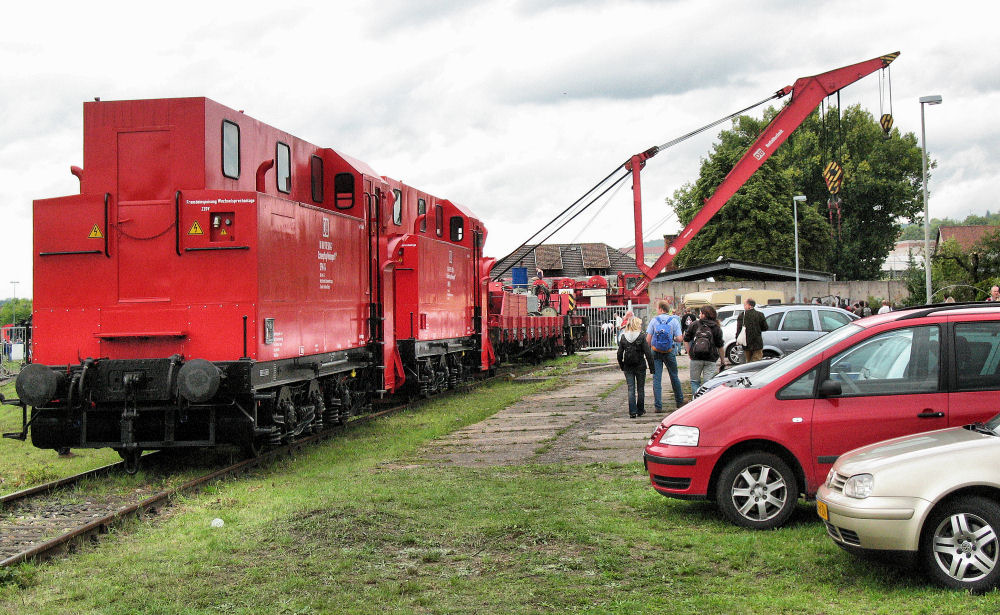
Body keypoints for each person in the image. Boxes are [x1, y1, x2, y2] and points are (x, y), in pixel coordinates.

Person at [646, 300, 685, 410]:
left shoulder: (654, 321)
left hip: (656, 351)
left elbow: (648, 340)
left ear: (661, 309)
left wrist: (648, 351)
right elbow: (680, 338)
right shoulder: (674, 320)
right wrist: (672, 338)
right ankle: (679, 401)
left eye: (657, 308)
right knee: (674, 376)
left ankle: (658, 406)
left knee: (657, 378)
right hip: (669, 351)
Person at [617, 317, 654, 418]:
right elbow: (647, 352)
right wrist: (651, 367)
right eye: (640, 324)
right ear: (637, 325)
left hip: (628, 366)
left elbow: (619, 353)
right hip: (640, 365)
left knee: (631, 389)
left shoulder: (623, 337)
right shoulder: (641, 336)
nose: (641, 326)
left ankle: (632, 411)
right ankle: (640, 410)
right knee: (640, 388)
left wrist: (622, 365)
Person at [684, 305, 724, 395]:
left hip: (696, 358)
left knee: (695, 382)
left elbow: (686, 339)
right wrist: (722, 360)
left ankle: (696, 402)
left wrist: (689, 353)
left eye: (701, 313)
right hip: (710, 358)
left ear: (703, 315)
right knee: (708, 383)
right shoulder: (716, 327)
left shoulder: (694, 324)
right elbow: (720, 345)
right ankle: (706, 403)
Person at [735, 298, 768, 363]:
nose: (744, 306)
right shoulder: (760, 315)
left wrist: (737, 339)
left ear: (749, 305)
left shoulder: (742, 316)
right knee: (757, 363)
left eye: (745, 305)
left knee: (748, 363)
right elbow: (765, 327)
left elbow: (739, 329)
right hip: (757, 343)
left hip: (746, 343)